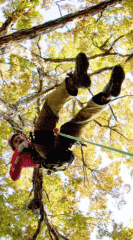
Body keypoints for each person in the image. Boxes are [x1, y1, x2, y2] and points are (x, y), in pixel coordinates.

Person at [9, 53, 125, 181]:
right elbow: (14, 176)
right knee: (47, 111)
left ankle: (105, 94)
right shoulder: (19, 156)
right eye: (15, 141)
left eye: (19, 137)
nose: (19, 139)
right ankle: (73, 83)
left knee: (78, 123)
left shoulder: (32, 143)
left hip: (60, 145)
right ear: (14, 147)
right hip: (49, 153)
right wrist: (18, 157)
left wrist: (55, 134)